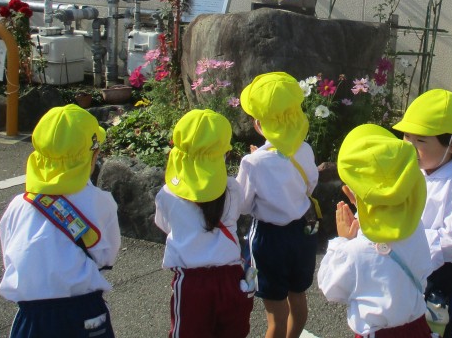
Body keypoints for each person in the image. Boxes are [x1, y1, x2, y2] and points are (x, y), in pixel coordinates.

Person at [0, 105, 120, 338]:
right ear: (92, 155)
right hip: (84, 311)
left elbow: (10, 255)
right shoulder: (100, 202)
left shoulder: (18, 205)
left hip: (31, 317)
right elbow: (107, 257)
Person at [318, 124, 434, 337]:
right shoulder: (416, 227)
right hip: (418, 327)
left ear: (349, 193)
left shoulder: (355, 250)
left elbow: (330, 288)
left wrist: (342, 242)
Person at [154, 109, 254, 338]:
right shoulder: (232, 188)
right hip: (231, 278)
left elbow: (164, 225)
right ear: (224, 153)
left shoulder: (167, 194)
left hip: (191, 282)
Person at [236, 72, 320, 338]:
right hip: (303, 233)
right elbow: (310, 185)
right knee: (298, 296)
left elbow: (243, 205)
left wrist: (257, 160)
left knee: (275, 314)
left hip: (269, 238)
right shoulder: (305, 149)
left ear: (259, 124)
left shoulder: (253, 162)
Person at [392, 89, 452, 338]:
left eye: (420, 141)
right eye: (406, 137)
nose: (410, 147)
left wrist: (411, 241)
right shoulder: (414, 172)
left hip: (442, 274)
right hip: (411, 264)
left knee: (435, 328)